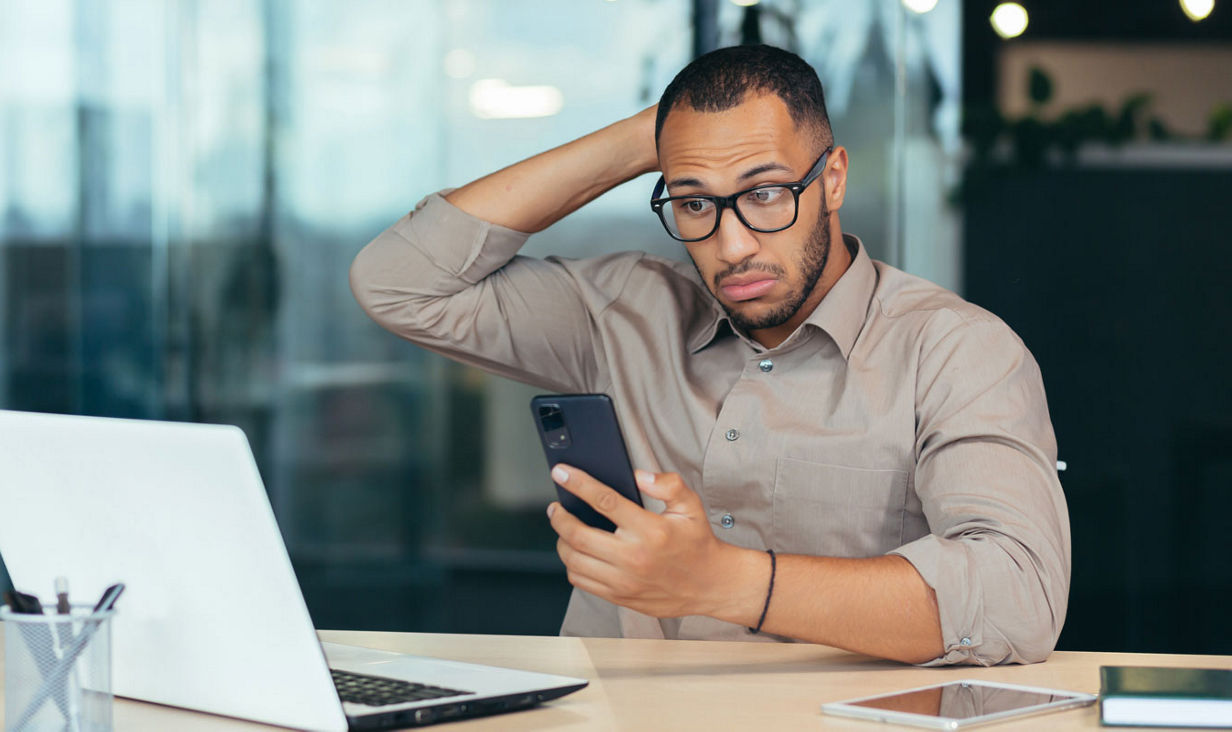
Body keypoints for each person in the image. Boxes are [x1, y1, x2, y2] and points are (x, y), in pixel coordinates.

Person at [349, 45, 1070, 666]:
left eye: (765, 194)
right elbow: (398, 284)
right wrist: (649, 136)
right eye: (694, 203)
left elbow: (1019, 596)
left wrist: (719, 581)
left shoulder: (956, 351)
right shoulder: (624, 310)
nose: (732, 246)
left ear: (834, 178)